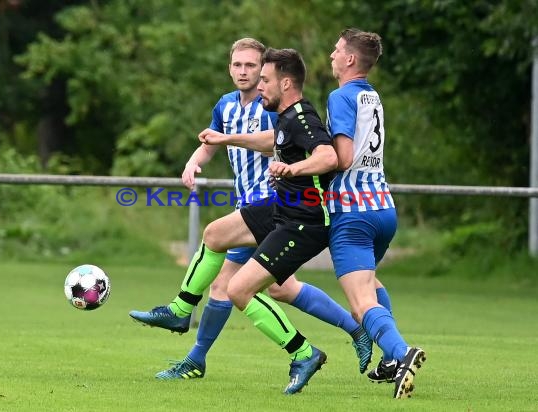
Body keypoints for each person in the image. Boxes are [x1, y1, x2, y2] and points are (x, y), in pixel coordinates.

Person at [129, 39, 372, 382]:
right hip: (270, 207)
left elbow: (319, 153)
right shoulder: (239, 108)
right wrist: (204, 153)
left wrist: (289, 169)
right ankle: (181, 312)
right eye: (238, 66)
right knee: (261, 274)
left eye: (256, 70)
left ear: (273, 77)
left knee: (231, 288)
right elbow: (252, 141)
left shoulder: (283, 111)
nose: (250, 77)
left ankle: (200, 352)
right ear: (229, 68)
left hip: (290, 211)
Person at [325, 28, 426, 398]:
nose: (332, 56)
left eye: (337, 51)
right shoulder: (372, 96)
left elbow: (344, 157)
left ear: (351, 59)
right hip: (384, 208)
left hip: (353, 213)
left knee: (360, 302)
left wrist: (304, 164)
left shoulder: (340, 96)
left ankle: (403, 353)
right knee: (371, 285)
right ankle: (389, 359)